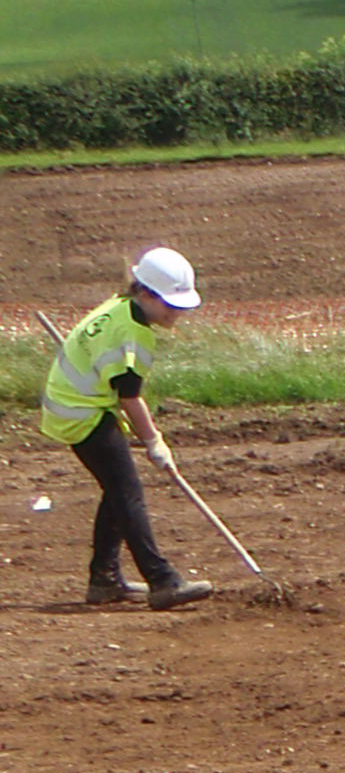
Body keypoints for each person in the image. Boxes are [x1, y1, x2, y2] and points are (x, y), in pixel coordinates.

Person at [39, 248, 212, 610]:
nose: (177, 312)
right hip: (81, 412)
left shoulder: (120, 306)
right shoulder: (132, 334)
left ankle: (104, 581)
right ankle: (162, 581)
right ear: (146, 294)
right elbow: (130, 398)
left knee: (118, 490)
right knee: (128, 490)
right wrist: (154, 442)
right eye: (170, 304)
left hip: (79, 404)